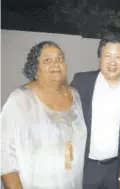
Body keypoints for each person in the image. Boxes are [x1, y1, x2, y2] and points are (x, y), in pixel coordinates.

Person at [1, 41, 87, 189]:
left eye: (60, 59)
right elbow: (4, 152)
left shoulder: (75, 95)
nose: (56, 64)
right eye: (47, 60)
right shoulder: (20, 99)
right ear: (35, 67)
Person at [70, 34, 120, 189]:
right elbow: (66, 120)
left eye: (118, 57)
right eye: (107, 56)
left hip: (116, 168)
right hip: (84, 167)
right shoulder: (81, 82)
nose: (112, 62)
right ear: (99, 58)